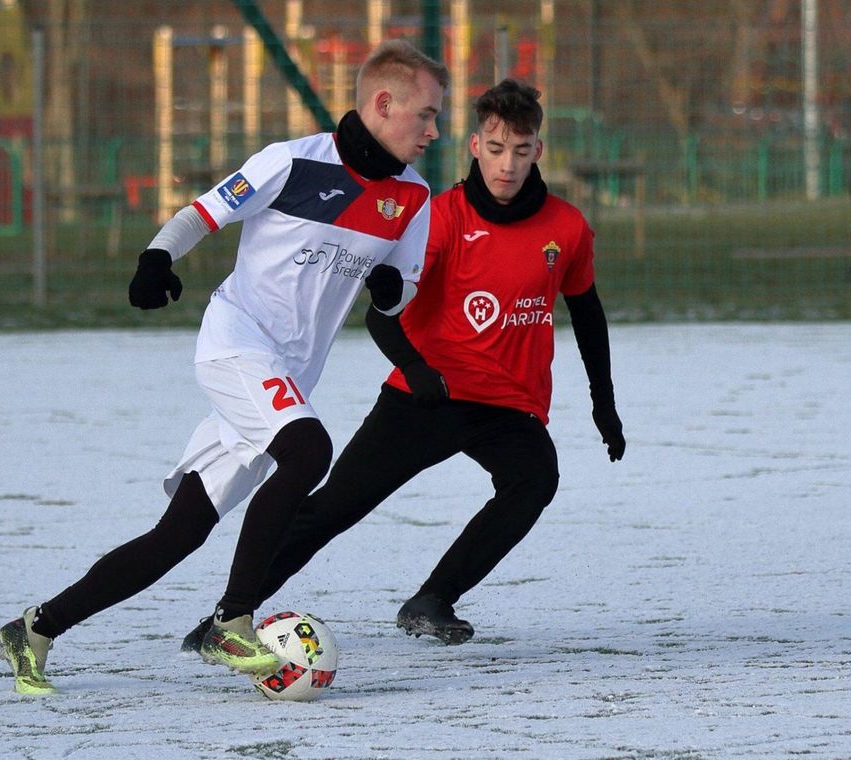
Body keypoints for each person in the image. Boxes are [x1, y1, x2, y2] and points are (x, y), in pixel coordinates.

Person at [0, 39, 449, 694]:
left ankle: (33, 628)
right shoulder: (292, 162)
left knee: (178, 534)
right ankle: (230, 623)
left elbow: (399, 291)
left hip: (288, 379)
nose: (434, 131)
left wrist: (389, 292)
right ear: (383, 103)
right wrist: (157, 259)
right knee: (309, 450)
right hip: (237, 344)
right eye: (426, 115)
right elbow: (202, 213)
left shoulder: (413, 196)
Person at [181, 78, 626, 651]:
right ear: (473, 146)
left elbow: (587, 312)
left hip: (509, 405)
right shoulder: (437, 217)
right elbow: (382, 314)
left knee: (534, 479)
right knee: (332, 509)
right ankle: (227, 615)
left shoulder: (566, 228)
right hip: (424, 395)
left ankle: (434, 598)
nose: (507, 165)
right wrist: (416, 369)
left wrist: (604, 402)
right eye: (495, 150)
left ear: (538, 150)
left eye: (520, 151)